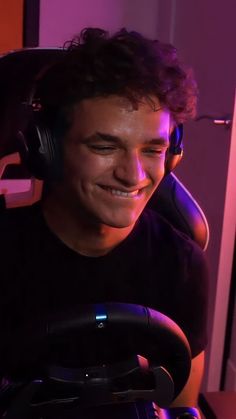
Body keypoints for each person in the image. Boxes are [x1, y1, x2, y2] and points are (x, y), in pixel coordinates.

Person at [0, 28, 208, 417]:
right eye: (104, 146)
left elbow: (180, 407)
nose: (133, 175)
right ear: (47, 148)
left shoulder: (181, 264)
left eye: (153, 149)